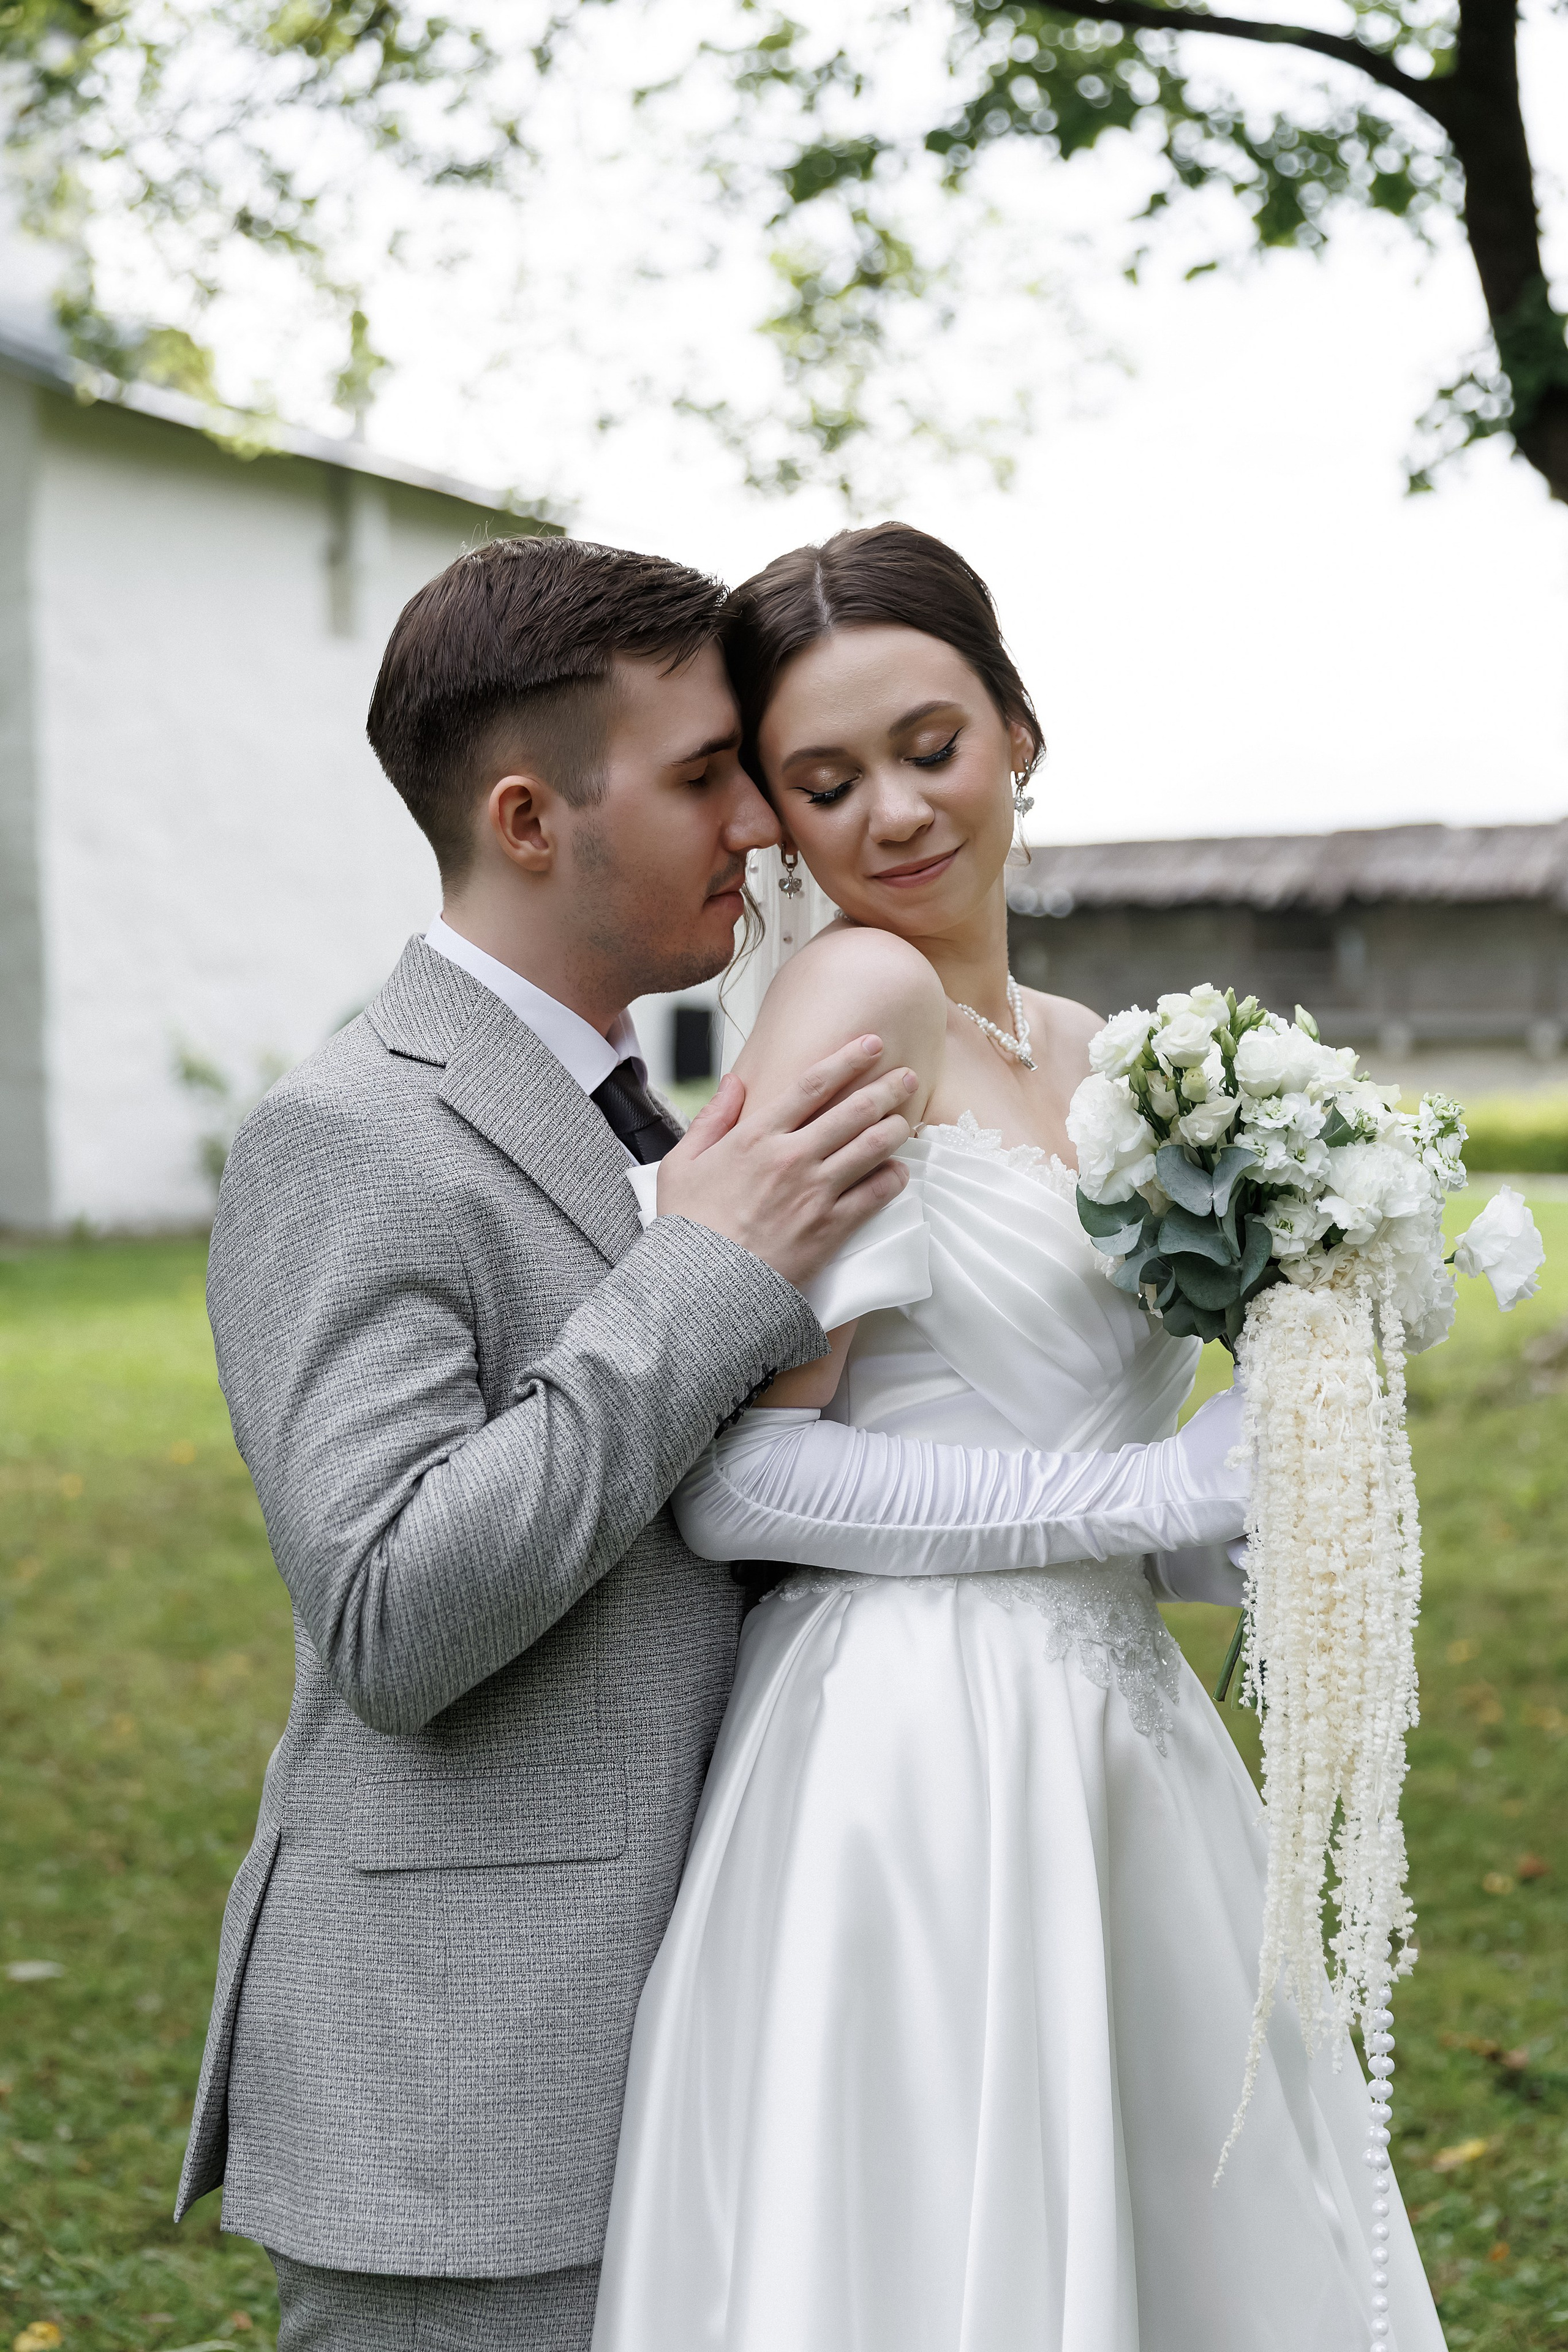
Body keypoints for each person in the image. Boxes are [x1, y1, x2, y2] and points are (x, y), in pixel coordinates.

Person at [591, 524, 1447, 2351]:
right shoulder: (856, 1000)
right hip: (919, 1744)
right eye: (827, 784)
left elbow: (1115, 1447)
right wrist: (1147, 1488)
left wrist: (1285, 1464)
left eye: (931, 745)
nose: (893, 813)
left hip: (1122, 1730)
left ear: (1020, 733)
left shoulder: (1118, 1057)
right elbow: (745, 1485)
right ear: (785, 821)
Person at [173, 535, 928, 2351]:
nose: (761, 820)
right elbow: (394, 1618)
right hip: (470, 2098)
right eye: (703, 776)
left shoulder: (648, 1108)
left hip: (705, 2039)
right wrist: (704, 1277)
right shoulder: (352, 1134)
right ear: (528, 820)